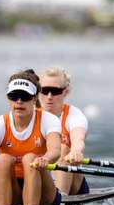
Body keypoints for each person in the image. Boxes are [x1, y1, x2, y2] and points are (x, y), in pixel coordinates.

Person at [0, 69, 62, 205]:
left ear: (34, 99)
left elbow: (55, 150)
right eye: (14, 96)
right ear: (9, 99)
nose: (19, 101)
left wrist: (45, 159)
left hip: (44, 194)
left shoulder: (48, 120)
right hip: (11, 189)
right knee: (2, 159)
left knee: (30, 159)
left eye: (25, 96)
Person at [38, 66, 89, 195]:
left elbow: (78, 139)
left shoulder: (74, 115)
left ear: (65, 92)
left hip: (72, 184)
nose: (49, 96)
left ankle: (60, 203)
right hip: (40, 179)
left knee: (63, 149)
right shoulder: (29, 114)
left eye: (55, 91)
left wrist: (76, 151)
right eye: (44, 90)